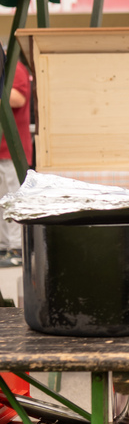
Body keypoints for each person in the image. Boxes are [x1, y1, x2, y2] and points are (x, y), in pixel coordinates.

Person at [0, 56, 32, 267]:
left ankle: (17, 248)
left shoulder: (15, 67)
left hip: (12, 150)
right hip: (2, 151)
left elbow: (18, 98)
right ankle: (4, 246)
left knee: (13, 199)